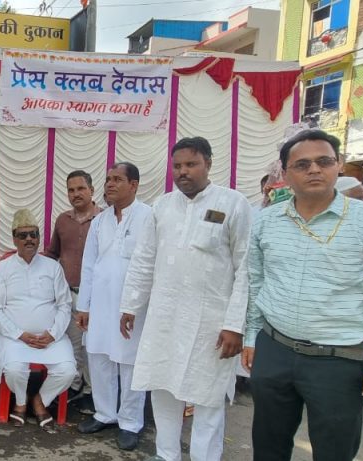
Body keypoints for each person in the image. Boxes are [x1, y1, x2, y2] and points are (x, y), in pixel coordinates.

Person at [243, 129, 363, 460]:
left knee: (334, 450)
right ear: (286, 172)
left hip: (338, 360)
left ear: (339, 165)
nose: (314, 170)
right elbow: (257, 282)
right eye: (302, 164)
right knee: (268, 446)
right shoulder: (267, 221)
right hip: (274, 350)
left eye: (324, 161)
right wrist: (252, 336)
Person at [119, 137, 251, 461]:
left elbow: (246, 267)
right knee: (162, 389)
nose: (183, 172)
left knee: (208, 398)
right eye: (177, 166)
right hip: (165, 318)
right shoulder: (162, 206)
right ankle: (166, 455)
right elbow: (144, 259)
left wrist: (235, 325)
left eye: (191, 164)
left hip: (212, 324)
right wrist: (130, 305)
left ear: (208, 164)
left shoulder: (233, 203)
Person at [74, 163, 152, 451]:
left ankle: (130, 422)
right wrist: (84, 306)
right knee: (99, 357)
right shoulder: (100, 221)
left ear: (134, 185)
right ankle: (105, 414)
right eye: (108, 179)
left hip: (132, 305)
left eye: (117, 179)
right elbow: (89, 264)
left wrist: (137, 303)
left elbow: (150, 264)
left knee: (129, 362)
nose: (110, 184)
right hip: (100, 302)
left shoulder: (148, 217)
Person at [0, 209, 77, 433]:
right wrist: (19, 334)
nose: (29, 239)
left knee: (68, 370)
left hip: (50, 338)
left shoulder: (53, 267)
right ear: (14, 239)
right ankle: (20, 401)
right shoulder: (1, 269)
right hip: (15, 338)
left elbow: (64, 304)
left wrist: (53, 334)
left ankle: (39, 400)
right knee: (13, 369)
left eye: (33, 234)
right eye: (23, 235)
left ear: (38, 237)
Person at [43, 170, 102, 414]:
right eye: (71, 190)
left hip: (98, 298)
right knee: (73, 345)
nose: (76, 194)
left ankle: (92, 393)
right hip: (68, 295)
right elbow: (52, 254)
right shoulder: (62, 220)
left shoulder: (105, 219)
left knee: (93, 349)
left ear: (92, 190)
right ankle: (74, 388)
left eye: (81, 188)